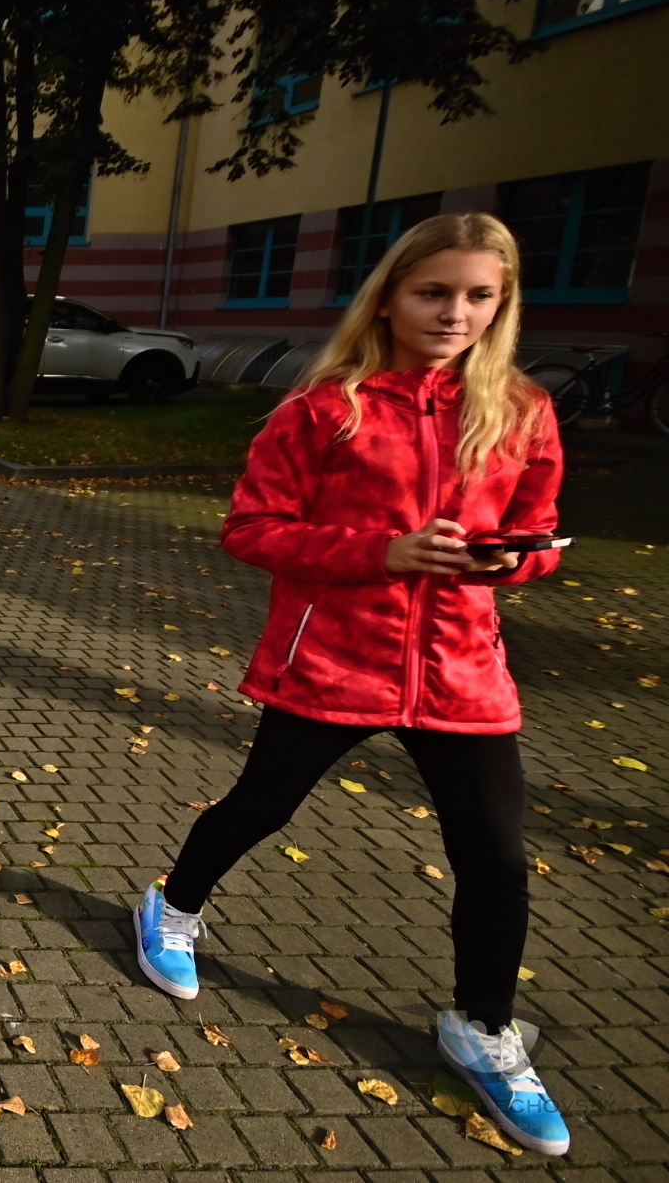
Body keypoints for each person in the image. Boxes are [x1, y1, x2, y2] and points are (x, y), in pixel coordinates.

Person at [130, 213, 568, 1156]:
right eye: (433, 292)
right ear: (390, 297)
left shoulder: (523, 411)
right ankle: (172, 907)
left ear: (502, 304)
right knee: (263, 805)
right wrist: (383, 552)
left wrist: (513, 561)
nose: (454, 313)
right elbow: (251, 528)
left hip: (461, 671)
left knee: (496, 857)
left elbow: (540, 535)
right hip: (334, 657)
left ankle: (483, 1024)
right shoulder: (329, 408)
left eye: (479, 296)